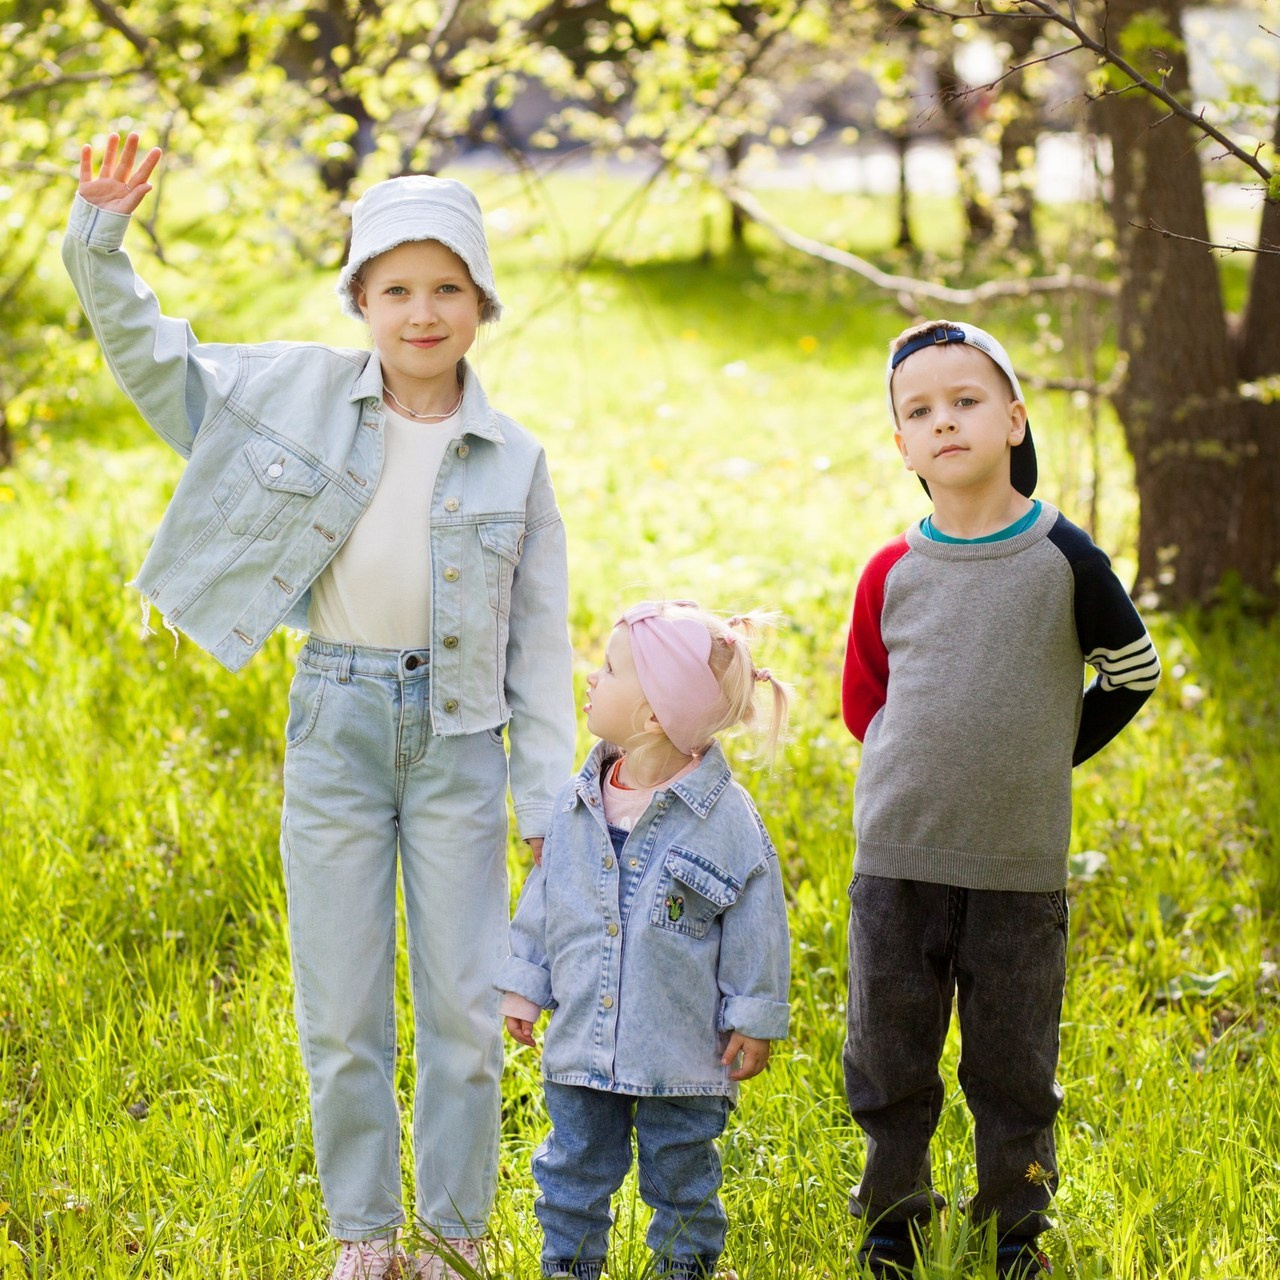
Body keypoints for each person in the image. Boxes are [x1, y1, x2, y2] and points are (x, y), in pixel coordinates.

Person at [63, 132, 576, 1280]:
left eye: (447, 287)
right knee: (341, 1006)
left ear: (480, 302)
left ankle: (450, 1234)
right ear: (360, 298)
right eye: (395, 287)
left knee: (459, 1008)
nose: (422, 312)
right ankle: (364, 1236)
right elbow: (155, 361)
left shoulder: (514, 458)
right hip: (335, 724)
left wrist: (547, 800)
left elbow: (538, 645)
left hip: (459, 745)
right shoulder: (288, 396)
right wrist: (102, 236)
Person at [841, 321, 1161, 1280]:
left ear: (1014, 419)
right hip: (897, 856)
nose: (945, 423)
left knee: (1012, 1067)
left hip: (1018, 866)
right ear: (902, 445)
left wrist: (1045, 753)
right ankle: (894, 1216)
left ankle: (1015, 1226)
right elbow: (866, 703)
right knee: (889, 1057)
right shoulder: (891, 570)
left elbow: (1134, 671)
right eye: (920, 411)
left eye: (966, 401)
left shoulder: (1063, 557)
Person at [496, 600, 792, 1280]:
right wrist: (525, 982)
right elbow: (548, 897)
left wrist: (752, 1016)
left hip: (681, 1056)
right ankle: (567, 1268)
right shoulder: (580, 800)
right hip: (582, 1043)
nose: (590, 679)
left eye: (607, 669)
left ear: (654, 714)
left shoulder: (724, 820)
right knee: (570, 1172)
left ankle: (682, 1269)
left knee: (683, 1182)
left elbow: (757, 920)